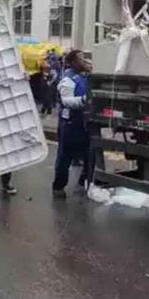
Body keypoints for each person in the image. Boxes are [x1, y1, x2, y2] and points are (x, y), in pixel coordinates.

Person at [52, 50, 93, 198]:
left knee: (89, 155)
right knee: (65, 156)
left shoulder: (84, 77)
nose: (84, 61)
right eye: (81, 59)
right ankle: (59, 186)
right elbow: (66, 101)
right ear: (73, 62)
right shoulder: (67, 79)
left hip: (84, 123)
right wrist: (83, 100)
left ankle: (83, 182)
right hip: (70, 124)